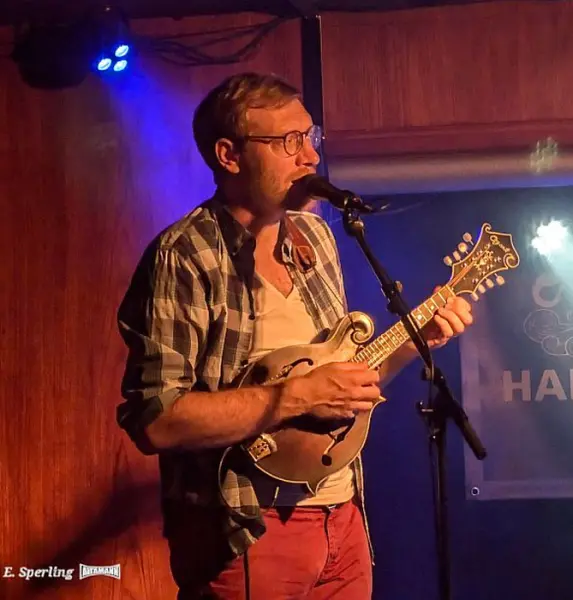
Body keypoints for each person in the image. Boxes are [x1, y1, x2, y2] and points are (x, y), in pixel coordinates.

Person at [116, 72, 474, 600]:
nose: (309, 157)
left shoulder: (315, 236)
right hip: (248, 528)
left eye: (311, 137)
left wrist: (411, 342)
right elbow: (157, 421)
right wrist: (293, 396)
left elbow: (342, 384)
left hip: (343, 517)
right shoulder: (185, 254)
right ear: (229, 156)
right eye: (288, 142)